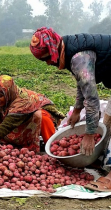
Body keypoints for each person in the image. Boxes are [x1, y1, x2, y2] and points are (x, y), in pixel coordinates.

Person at [29, 26, 111, 191]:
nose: (48, 63)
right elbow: (83, 84)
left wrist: (89, 134)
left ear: (53, 49)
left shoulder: (78, 58)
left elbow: (92, 98)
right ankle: (101, 159)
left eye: (47, 58)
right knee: (108, 122)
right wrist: (76, 111)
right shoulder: (66, 48)